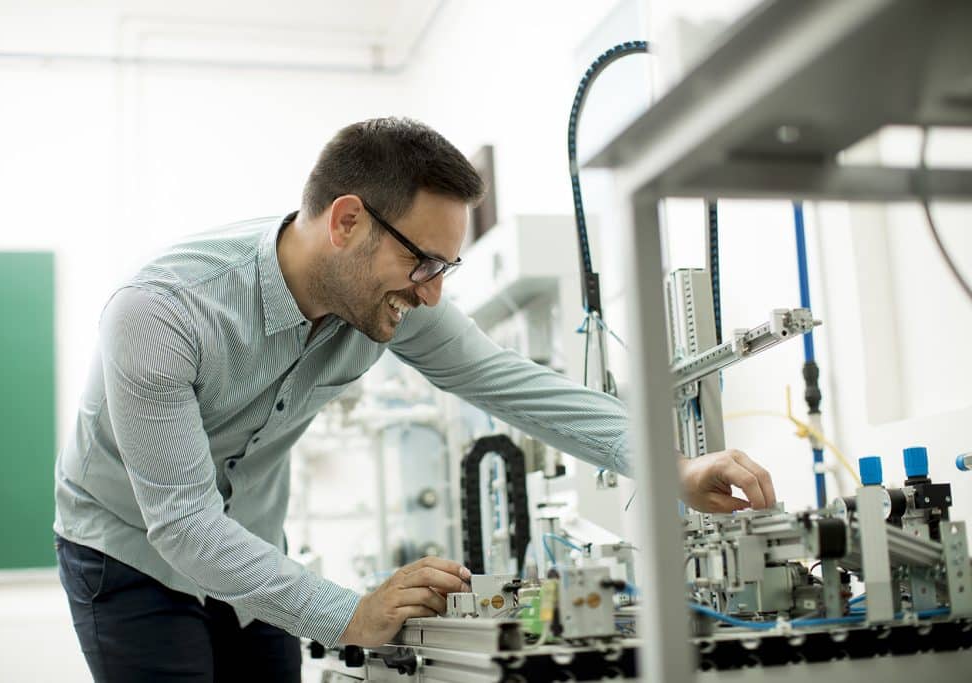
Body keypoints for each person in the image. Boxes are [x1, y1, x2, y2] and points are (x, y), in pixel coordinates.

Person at [54, 117, 776, 682]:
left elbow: (508, 381)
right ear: (346, 222)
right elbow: (181, 524)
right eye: (422, 262)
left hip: (249, 546)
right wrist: (350, 612)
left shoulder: (385, 297)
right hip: (129, 553)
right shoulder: (161, 314)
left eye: (445, 267)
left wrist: (673, 465)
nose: (432, 291)